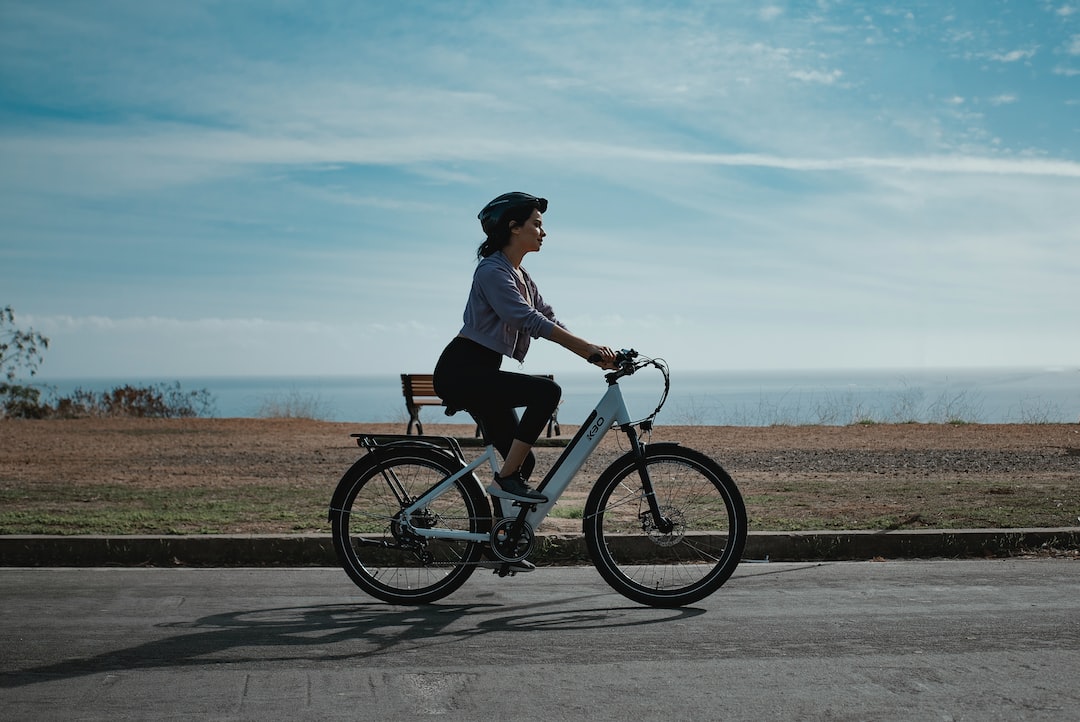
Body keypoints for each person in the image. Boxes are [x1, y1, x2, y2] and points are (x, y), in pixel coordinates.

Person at [433, 192, 616, 505]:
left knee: (522, 463)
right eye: (537, 224)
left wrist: (595, 354)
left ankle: (498, 536)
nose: (543, 232)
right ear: (514, 227)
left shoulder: (521, 276)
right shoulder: (491, 271)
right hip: (462, 371)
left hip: (481, 370)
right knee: (547, 393)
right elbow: (524, 318)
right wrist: (586, 349)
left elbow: (546, 316)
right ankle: (504, 481)